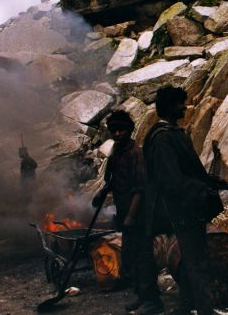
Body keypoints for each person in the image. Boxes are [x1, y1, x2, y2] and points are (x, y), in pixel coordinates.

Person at [143, 85, 227, 315]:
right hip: (181, 210)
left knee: (194, 259)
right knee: (196, 262)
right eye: (180, 103)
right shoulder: (162, 139)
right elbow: (171, 181)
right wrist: (202, 189)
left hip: (185, 207)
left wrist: (209, 182)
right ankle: (204, 309)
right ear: (169, 107)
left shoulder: (171, 133)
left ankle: (189, 305)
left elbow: (185, 173)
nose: (184, 107)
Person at [92, 110, 161, 314]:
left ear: (129, 130)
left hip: (139, 216)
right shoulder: (117, 153)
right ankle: (142, 296)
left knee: (143, 257)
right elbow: (112, 180)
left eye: (121, 130)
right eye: (114, 130)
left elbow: (140, 188)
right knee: (131, 257)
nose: (118, 134)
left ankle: (153, 301)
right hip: (125, 213)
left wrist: (131, 216)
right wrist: (102, 193)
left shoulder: (135, 154)